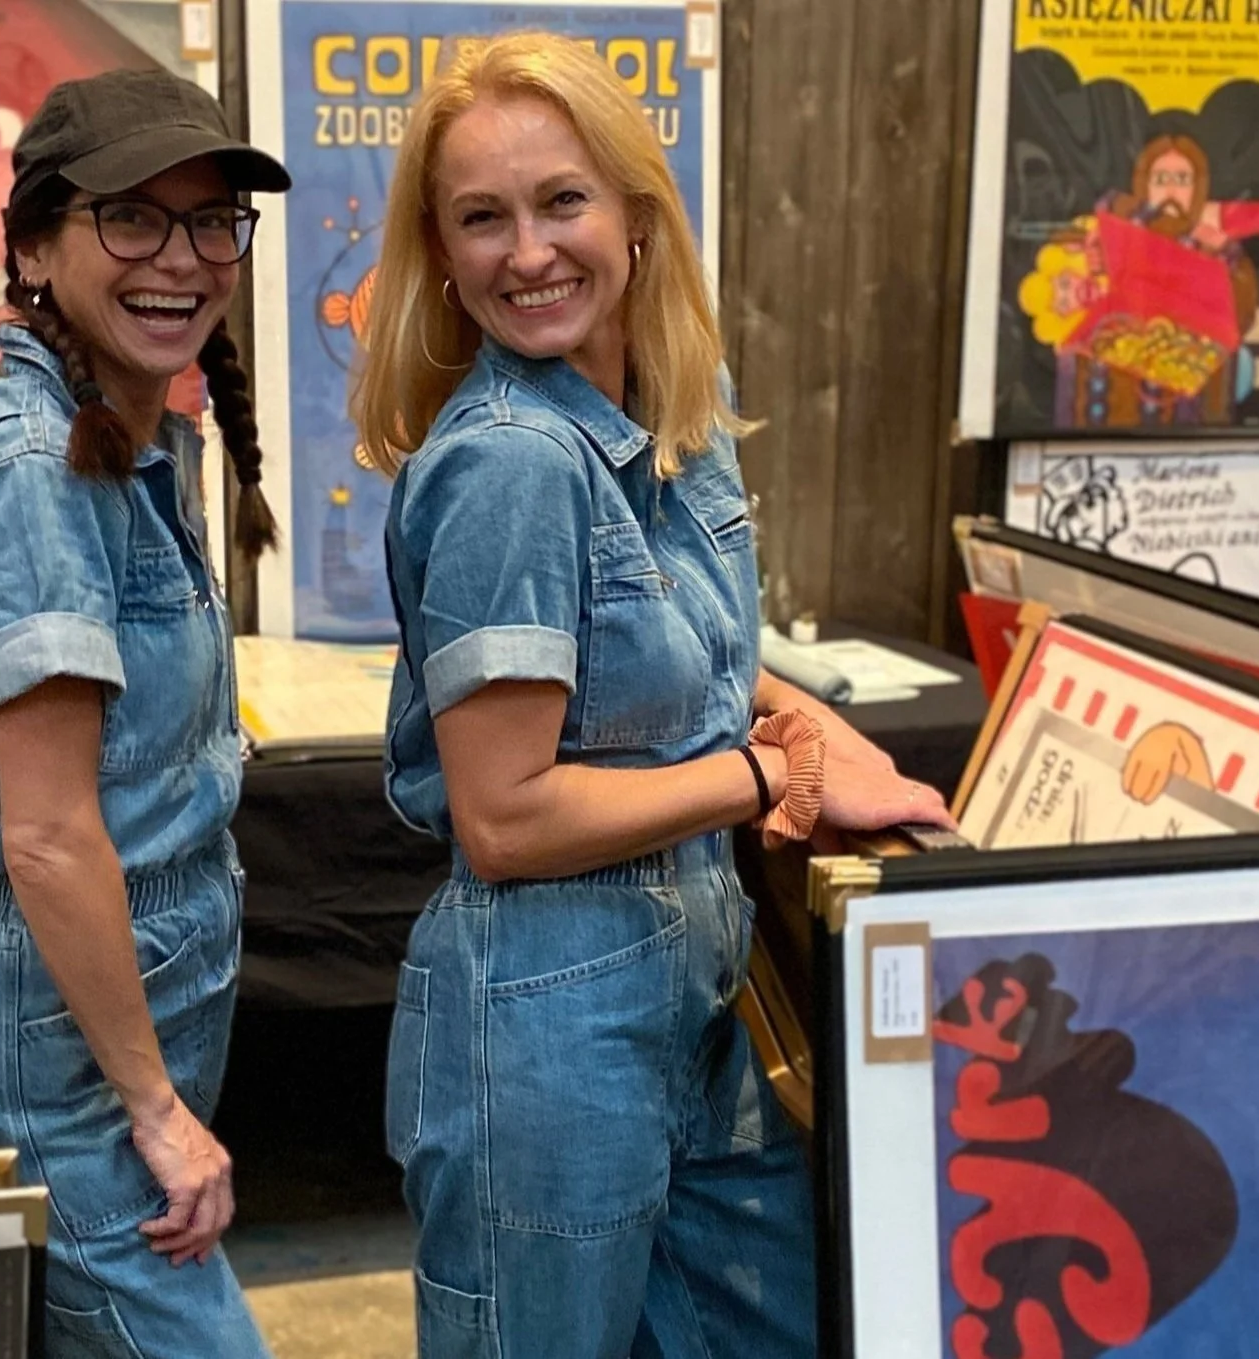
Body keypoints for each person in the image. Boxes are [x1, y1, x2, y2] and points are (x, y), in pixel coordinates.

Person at [348, 31, 956, 1356]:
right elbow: (505, 817)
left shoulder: (680, 403)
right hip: (543, 1031)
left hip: (698, 1000)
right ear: (441, 252)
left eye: (561, 200)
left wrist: (832, 746)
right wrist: (772, 774)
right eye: (482, 218)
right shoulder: (512, 463)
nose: (528, 253)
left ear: (635, 210)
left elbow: (695, 653)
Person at [0, 68, 287, 1357]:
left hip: (125, 987)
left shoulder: (133, 440)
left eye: (211, 220)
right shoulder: (35, 470)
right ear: (32, 250)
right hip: (54, 1025)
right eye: (130, 216)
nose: (182, 257)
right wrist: (156, 1111)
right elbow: (50, 837)